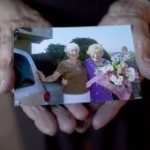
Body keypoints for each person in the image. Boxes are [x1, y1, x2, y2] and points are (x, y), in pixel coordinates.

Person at [0, 0, 149, 149]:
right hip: (29, 26)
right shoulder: (63, 64)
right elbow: (55, 76)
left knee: (126, 134)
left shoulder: (95, 61)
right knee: (49, 136)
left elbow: (101, 74)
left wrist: (138, 5)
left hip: (127, 30)